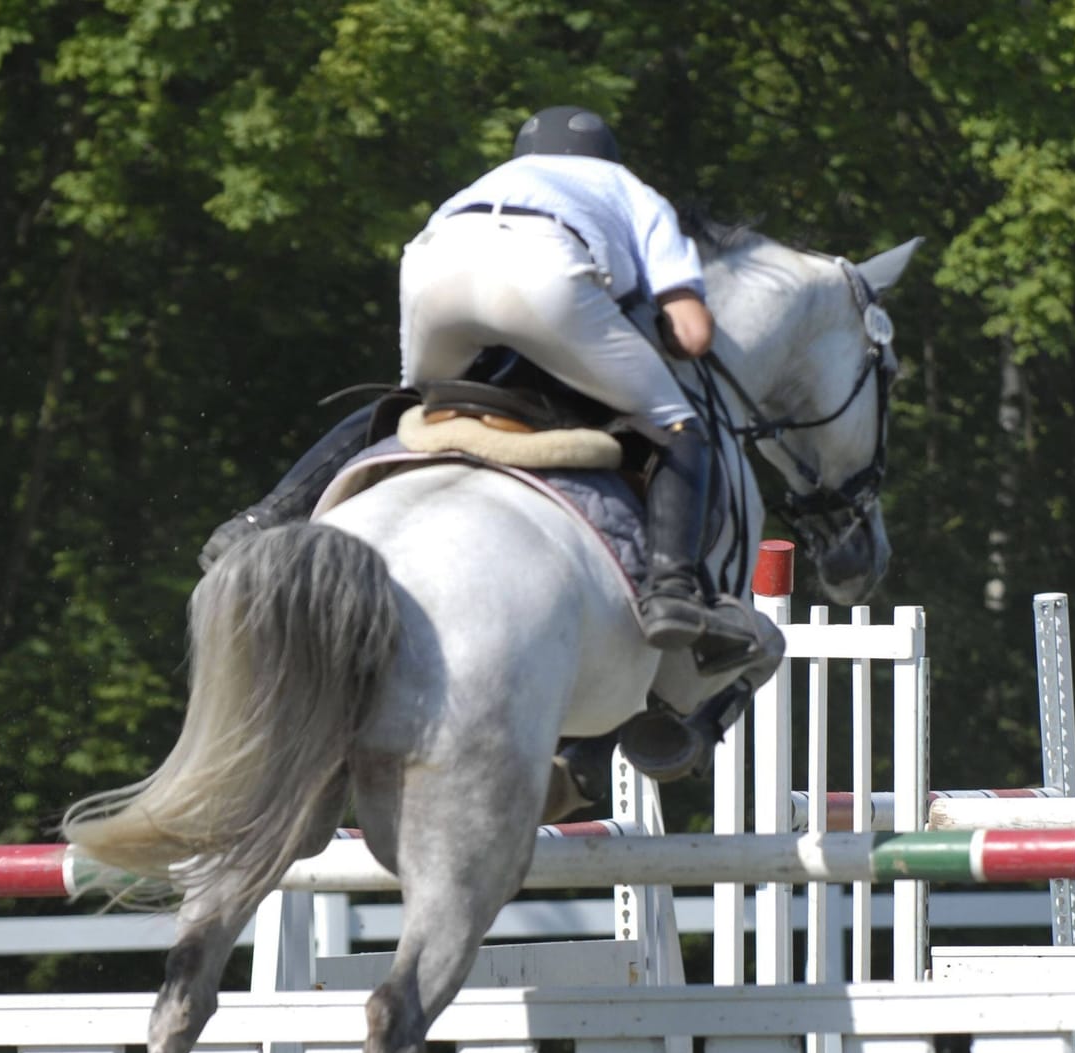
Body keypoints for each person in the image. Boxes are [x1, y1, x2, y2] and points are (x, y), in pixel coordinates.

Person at [203, 105, 750, 656]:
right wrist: (661, 336)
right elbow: (695, 333)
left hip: (434, 266)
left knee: (409, 403)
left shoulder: (491, 181)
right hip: (548, 271)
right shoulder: (630, 190)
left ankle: (262, 519)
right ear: (607, 157)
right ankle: (670, 592)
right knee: (679, 424)